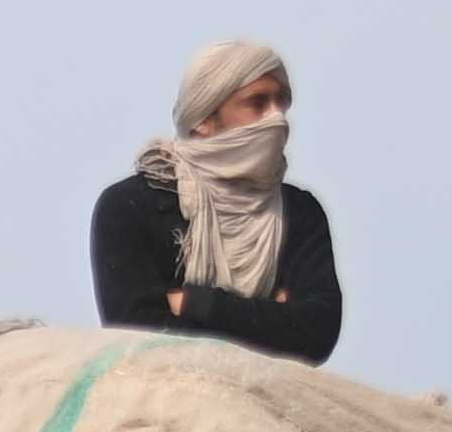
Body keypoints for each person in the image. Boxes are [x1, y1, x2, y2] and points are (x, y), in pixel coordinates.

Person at [89, 38, 341, 365]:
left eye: (282, 103)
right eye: (258, 103)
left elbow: (315, 334)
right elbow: (138, 335)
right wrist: (271, 316)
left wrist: (195, 304)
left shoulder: (299, 212)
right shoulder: (131, 206)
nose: (277, 118)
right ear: (204, 118)